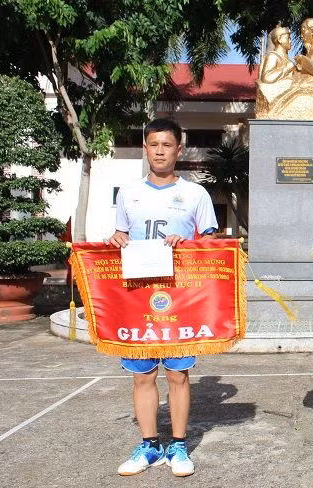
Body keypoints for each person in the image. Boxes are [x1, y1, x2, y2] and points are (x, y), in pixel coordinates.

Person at [107, 118, 218, 477]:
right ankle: (150, 445)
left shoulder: (196, 194)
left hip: (178, 297)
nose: (159, 151)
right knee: (142, 376)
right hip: (137, 296)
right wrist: (116, 240)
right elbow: (120, 236)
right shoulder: (128, 193)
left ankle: (179, 445)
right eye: (153, 144)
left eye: (167, 145)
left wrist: (190, 244)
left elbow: (210, 245)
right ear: (145, 148)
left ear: (178, 150)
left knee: (177, 375)